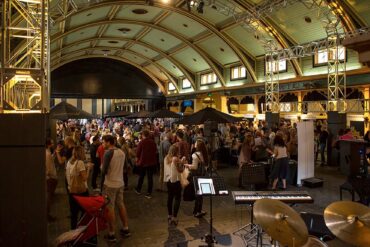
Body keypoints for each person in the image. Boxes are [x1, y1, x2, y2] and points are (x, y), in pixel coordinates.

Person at [101, 135, 131, 242]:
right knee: (121, 204)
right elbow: (126, 167)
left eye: (103, 142)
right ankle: (125, 228)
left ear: (109, 142)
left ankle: (111, 233)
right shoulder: (122, 152)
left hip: (110, 184)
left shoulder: (108, 153)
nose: (103, 144)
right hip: (120, 182)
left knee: (110, 207)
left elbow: (103, 171)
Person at [66, 146, 90, 229]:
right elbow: (84, 178)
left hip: (71, 190)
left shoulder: (69, 161)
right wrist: (89, 169)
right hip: (81, 192)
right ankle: (81, 229)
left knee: (74, 214)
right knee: (86, 211)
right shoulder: (80, 163)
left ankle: (73, 232)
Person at [184, 140, 208, 218]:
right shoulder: (204, 154)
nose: (194, 144)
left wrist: (187, 165)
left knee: (197, 194)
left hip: (196, 176)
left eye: (196, 143)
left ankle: (196, 211)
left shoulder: (195, 155)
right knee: (200, 194)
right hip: (203, 175)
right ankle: (199, 210)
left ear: (198, 146)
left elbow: (194, 167)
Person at [164, 145, 184, 225]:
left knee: (170, 197)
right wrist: (182, 161)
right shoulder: (175, 159)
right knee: (177, 198)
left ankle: (169, 215)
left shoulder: (166, 158)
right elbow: (180, 170)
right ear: (176, 151)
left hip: (168, 180)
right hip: (175, 181)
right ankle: (174, 217)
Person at [135, 130, 158, 199]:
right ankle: (149, 192)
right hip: (151, 162)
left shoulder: (141, 142)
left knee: (141, 176)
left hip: (143, 162)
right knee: (150, 177)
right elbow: (155, 151)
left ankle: (138, 189)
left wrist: (137, 160)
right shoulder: (153, 142)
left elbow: (137, 153)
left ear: (143, 135)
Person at [45, 138, 58, 222]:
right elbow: (49, 167)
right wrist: (51, 176)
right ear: (49, 144)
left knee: (49, 197)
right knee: (49, 197)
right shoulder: (47, 154)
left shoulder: (47, 152)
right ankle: (47, 215)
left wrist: (54, 154)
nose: (53, 144)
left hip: (49, 177)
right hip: (50, 178)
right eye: (52, 143)